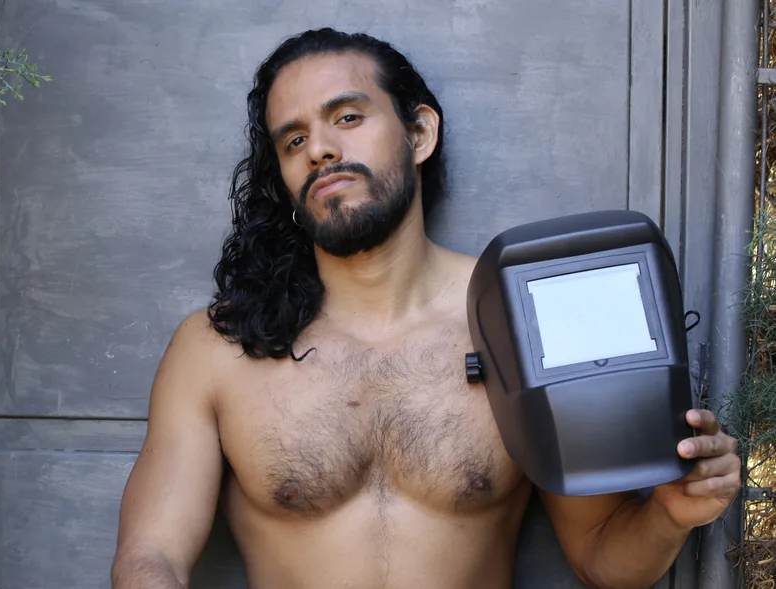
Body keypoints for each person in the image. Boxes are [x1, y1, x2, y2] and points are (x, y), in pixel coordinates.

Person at [110, 28, 742, 589]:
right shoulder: (217, 347)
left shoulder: (517, 321)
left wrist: (669, 513)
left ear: (419, 133)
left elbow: (601, 558)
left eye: (348, 117)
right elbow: (150, 556)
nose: (320, 149)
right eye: (294, 138)